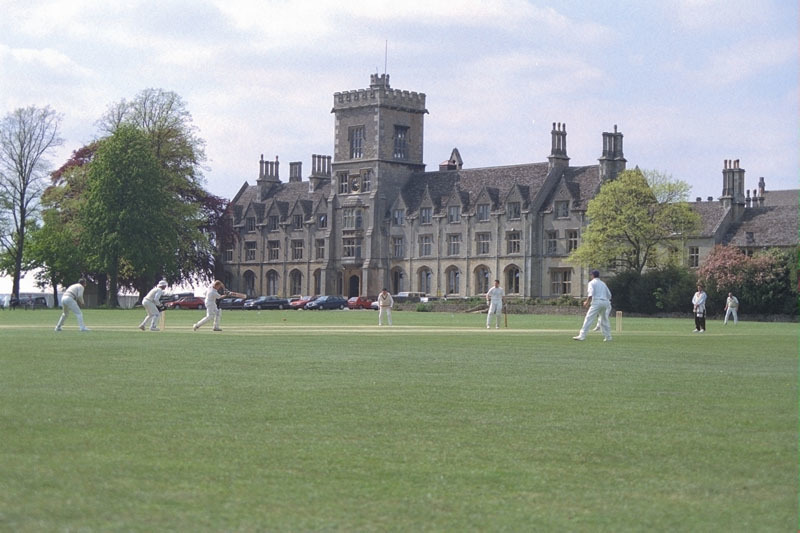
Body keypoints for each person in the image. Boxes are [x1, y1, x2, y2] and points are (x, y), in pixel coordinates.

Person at [573, 270, 612, 341]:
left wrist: (587, 302)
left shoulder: (591, 283)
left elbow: (590, 294)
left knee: (588, 318)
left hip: (597, 302)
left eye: (591, 275)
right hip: (605, 302)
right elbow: (609, 295)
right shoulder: (603, 283)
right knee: (604, 320)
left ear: (593, 275)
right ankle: (608, 337)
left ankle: (582, 336)